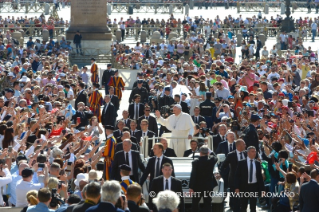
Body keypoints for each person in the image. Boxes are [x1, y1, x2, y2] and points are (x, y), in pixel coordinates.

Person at [234, 146, 265, 212]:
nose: (254, 153)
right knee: (243, 206)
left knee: (253, 206)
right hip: (244, 187)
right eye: (252, 151)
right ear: (248, 153)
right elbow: (237, 176)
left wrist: (262, 189)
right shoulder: (241, 163)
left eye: (255, 151)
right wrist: (236, 187)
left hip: (254, 187)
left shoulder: (257, 163)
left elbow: (259, 177)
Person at [221, 139, 247, 212]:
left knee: (244, 200)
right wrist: (221, 174)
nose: (245, 146)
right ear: (238, 146)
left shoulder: (246, 154)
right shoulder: (231, 155)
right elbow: (224, 166)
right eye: (244, 144)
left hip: (245, 181)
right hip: (234, 181)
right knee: (235, 200)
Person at [189, 146, 217, 212]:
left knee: (195, 204)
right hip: (208, 186)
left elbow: (193, 175)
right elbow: (215, 156)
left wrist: (191, 187)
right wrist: (210, 151)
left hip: (197, 187)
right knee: (208, 204)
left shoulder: (195, 162)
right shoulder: (211, 160)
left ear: (200, 153)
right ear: (207, 153)